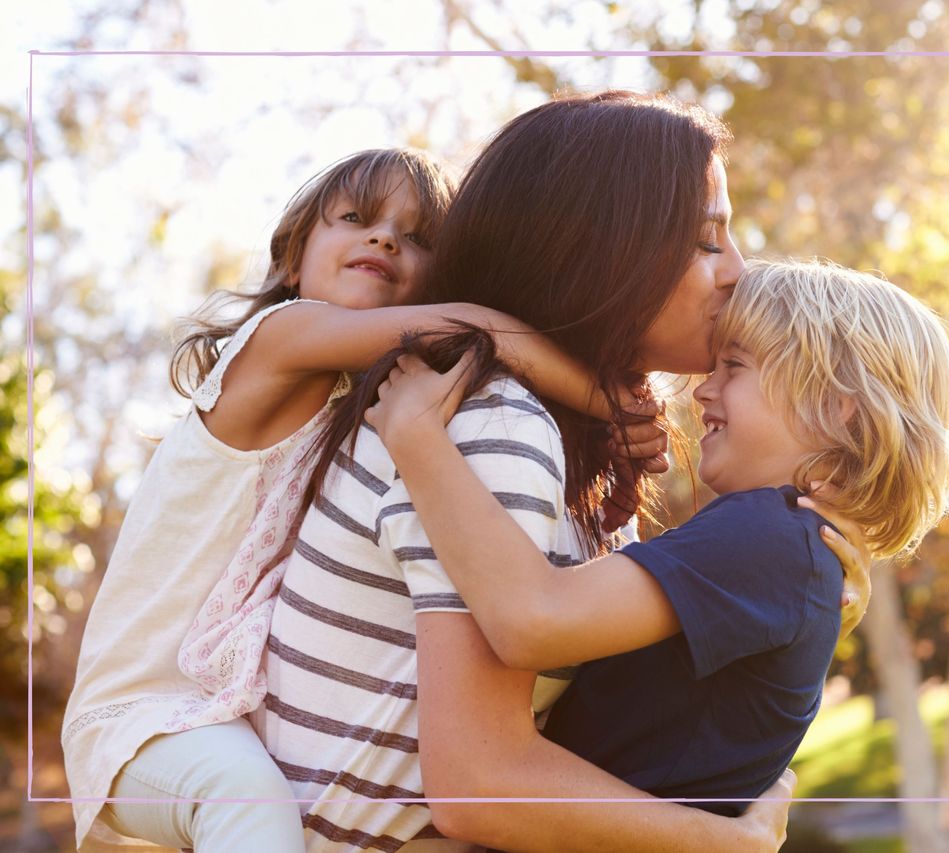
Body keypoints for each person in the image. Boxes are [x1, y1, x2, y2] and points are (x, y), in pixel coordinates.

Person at [257, 93, 869, 852]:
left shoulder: (554, 440)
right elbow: (480, 784)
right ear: (604, 247)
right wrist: (726, 843)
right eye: (707, 238)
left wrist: (787, 591)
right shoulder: (494, 424)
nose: (736, 270)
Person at [60, 147, 639, 853]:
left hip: (225, 707)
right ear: (292, 261)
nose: (386, 238)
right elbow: (473, 331)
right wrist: (610, 407)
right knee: (248, 805)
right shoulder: (278, 338)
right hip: (141, 713)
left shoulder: (363, 403)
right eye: (357, 218)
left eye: (417, 236)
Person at [369, 258, 949, 816]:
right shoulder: (794, 549)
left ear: (837, 411)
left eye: (735, 366)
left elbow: (532, 618)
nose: (704, 389)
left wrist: (416, 436)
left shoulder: (768, 534)